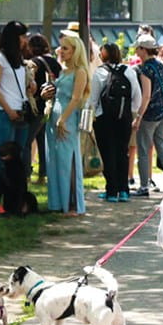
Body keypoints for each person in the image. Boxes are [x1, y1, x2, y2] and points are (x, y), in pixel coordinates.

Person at [89, 42, 141, 202]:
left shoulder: (99, 73)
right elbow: (137, 95)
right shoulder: (129, 71)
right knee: (122, 152)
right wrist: (130, 112)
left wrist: (94, 115)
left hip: (104, 119)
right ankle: (124, 190)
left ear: (104, 55)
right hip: (124, 118)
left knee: (108, 153)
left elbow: (93, 99)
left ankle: (111, 191)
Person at [45, 33, 89, 216]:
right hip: (55, 117)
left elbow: (76, 98)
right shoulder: (63, 71)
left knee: (68, 160)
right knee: (54, 161)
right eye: (60, 47)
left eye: (65, 48)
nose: (60, 51)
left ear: (74, 51)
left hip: (67, 118)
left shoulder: (80, 71)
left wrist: (63, 118)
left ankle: (71, 203)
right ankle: (57, 202)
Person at [0, 21, 32, 208]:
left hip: (21, 112)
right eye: (22, 36)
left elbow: (17, 86)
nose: (25, 40)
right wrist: (8, 110)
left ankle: (16, 197)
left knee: (19, 157)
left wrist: (30, 87)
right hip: (7, 113)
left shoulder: (20, 59)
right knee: (3, 158)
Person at [132, 34, 163, 197]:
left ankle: (143, 186)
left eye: (138, 48)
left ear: (143, 50)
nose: (136, 51)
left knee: (143, 150)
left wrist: (138, 117)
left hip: (150, 116)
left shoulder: (145, 69)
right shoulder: (162, 66)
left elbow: (146, 95)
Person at [25, 34, 61, 185]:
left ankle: (26, 174)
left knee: (27, 141)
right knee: (42, 141)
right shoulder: (54, 62)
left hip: (37, 106)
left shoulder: (33, 63)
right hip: (51, 105)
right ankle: (43, 175)